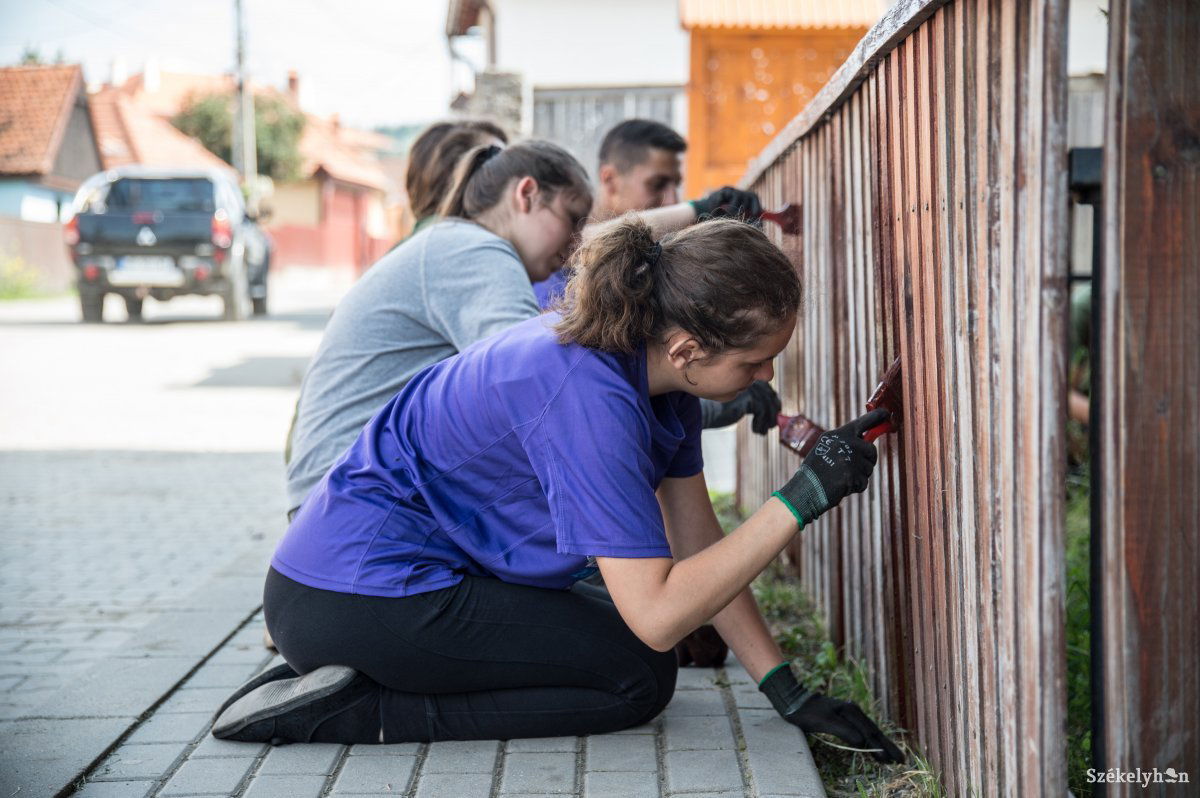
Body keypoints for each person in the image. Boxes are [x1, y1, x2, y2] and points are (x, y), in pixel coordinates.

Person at [212, 217, 904, 763]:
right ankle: (363, 709)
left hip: (381, 580)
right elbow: (658, 613)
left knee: (637, 638)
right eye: (756, 359)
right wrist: (803, 496)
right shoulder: (587, 395)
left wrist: (786, 691)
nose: (767, 376)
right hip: (351, 598)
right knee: (636, 676)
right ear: (689, 350)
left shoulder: (649, 375)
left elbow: (696, 539)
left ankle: (334, 681)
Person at [284, 140, 592, 519]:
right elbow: (539, 382)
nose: (578, 244)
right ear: (526, 194)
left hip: (346, 491)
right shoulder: (472, 251)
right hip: (350, 503)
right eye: (572, 218)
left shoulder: (452, 243)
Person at [534, 119, 777, 438]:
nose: (670, 198)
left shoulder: (648, 267)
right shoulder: (552, 279)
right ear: (609, 178)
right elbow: (600, 399)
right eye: (657, 184)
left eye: (676, 184)